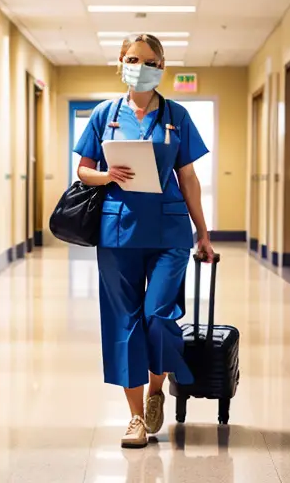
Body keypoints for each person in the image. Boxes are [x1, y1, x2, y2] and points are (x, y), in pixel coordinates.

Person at [74, 34, 215, 449]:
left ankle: (157, 388)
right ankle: (135, 417)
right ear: (121, 62)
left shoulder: (176, 115)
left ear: (162, 66)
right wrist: (108, 175)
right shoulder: (105, 113)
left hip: (170, 230)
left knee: (159, 316)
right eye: (133, 58)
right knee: (125, 322)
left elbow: (187, 178)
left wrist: (203, 232)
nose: (141, 65)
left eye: (150, 60)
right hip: (118, 231)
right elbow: (84, 171)